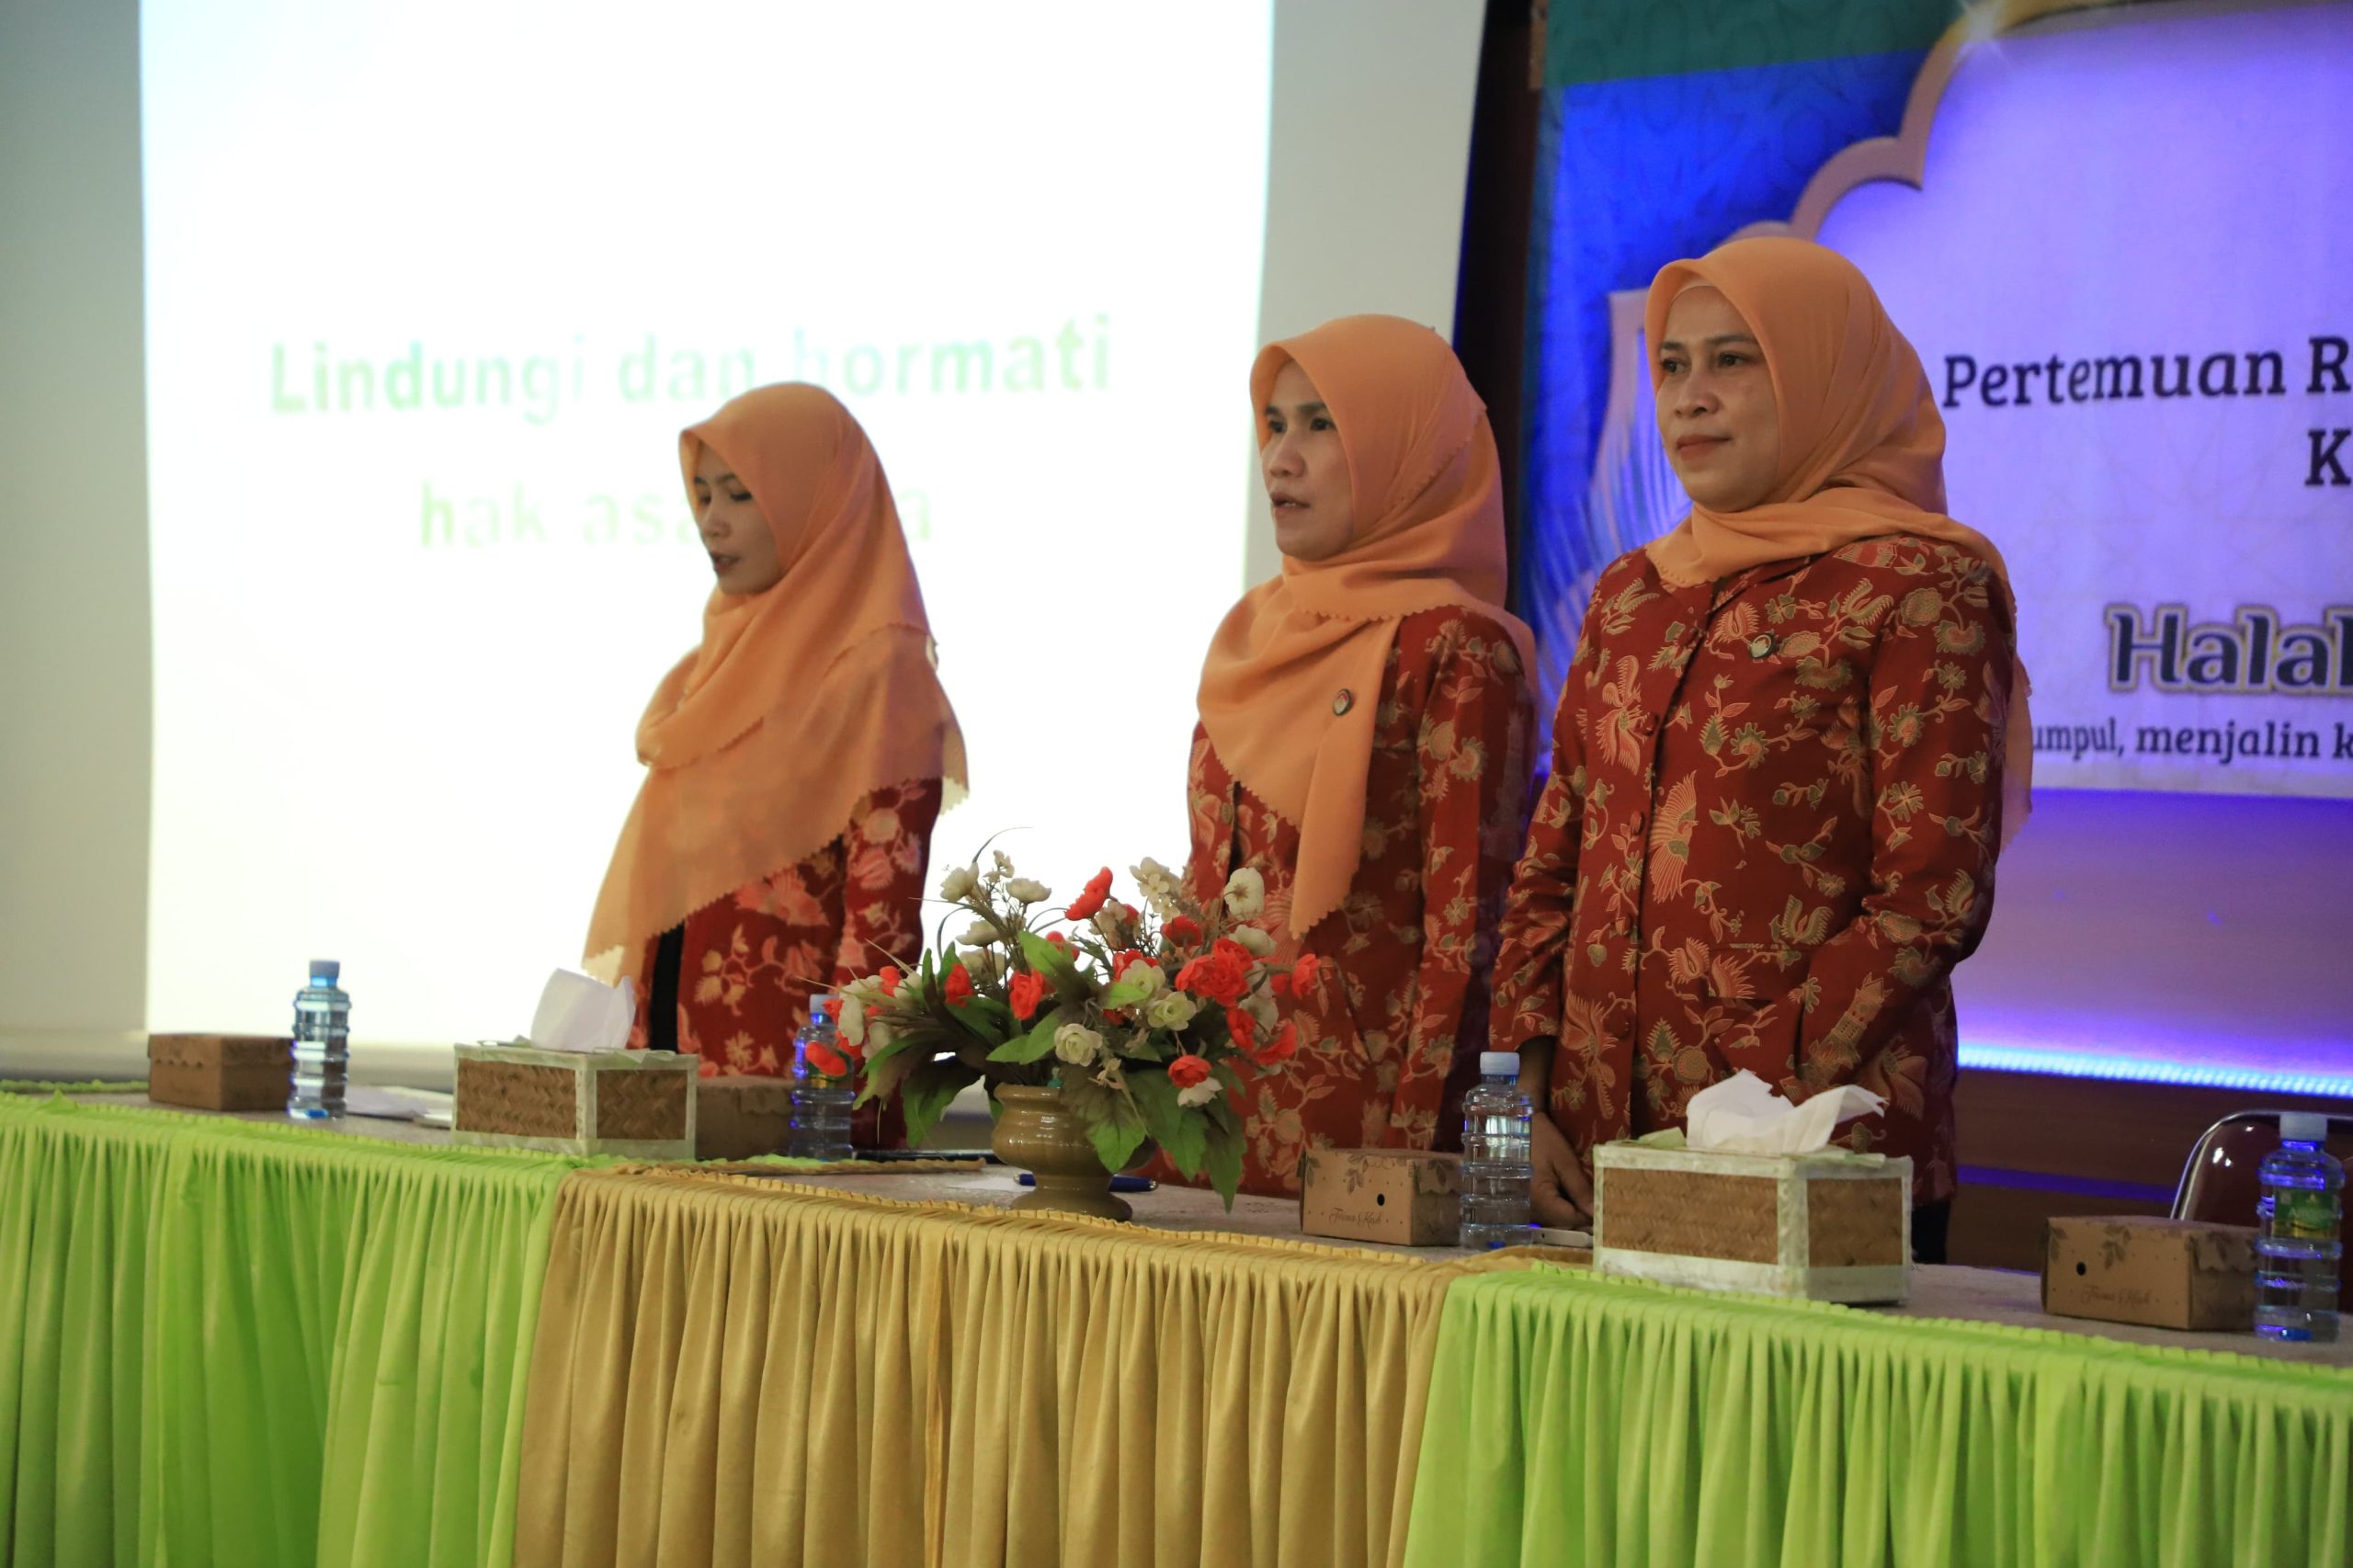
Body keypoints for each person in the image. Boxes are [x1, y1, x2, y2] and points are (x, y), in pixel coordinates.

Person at [1491, 237, 2031, 1262]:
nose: (1689, 397)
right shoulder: (1632, 593)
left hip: (1812, 1152)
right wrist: (1524, 1091)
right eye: (1671, 365)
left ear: (1821, 373)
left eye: (1733, 360)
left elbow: (1931, 892)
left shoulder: (1918, 585)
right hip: (1592, 1151)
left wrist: (1741, 1096)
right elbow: (1556, 852)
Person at [1174, 314, 1537, 1197]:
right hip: (1207, 1117)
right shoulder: (1251, 632)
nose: (1280, 458)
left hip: (1362, 1137)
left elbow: (1468, 933)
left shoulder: (1455, 647)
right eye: (1275, 425)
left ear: (1405, 451)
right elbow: (1205, 883)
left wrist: (1413, 1157)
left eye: (1320, 424)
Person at [584, 383, 964, 1142]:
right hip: (667, 1096)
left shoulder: (878, 673)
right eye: (702, 494)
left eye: (740, 494)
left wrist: (827, 1113)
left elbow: (879, 936)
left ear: (815, 501)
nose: (711, 521)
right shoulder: (711, 671)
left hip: (795, 1116)